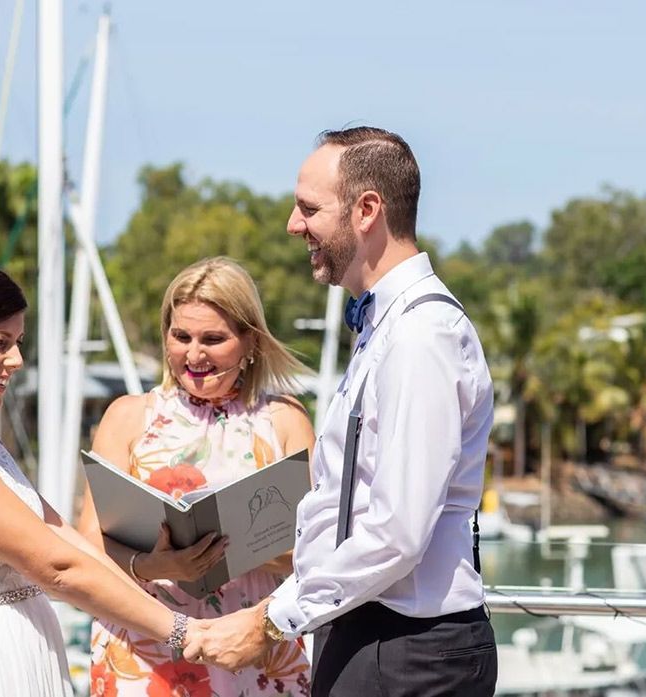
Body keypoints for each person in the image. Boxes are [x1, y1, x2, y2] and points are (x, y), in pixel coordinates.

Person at [185, 127, 498, 696]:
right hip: (366, 633)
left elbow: (398, 532)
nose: (292, 224)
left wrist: (270, 621)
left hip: (406, 648)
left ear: (367, 211)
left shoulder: (420, 335)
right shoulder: (383, 327)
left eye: (309, 208)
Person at [0, 262, 200, 697]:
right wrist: (187, 634)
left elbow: (62, 536)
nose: (16, 360)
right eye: (0, 343)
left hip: (15, 646)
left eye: (18, 343)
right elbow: (57, 568)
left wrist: (158, 608)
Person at [77, 256, 316, 696]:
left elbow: (318, 547)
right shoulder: (128, 416)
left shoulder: (284, 419)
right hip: (142, 649)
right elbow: (88, 541)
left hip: (254, 649)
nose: (194, 354)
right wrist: (154, 564)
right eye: (180, 336)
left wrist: (232, 550)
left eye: (213, 339)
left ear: (250, 342)